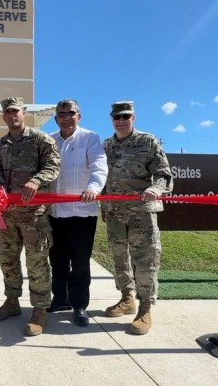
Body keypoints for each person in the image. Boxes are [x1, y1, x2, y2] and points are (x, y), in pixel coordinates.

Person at [0, 97, 60, 336]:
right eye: (7, 112)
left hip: (34, 216)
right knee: (7, 260)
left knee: (36, 263)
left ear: (24, 112)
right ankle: (12, 301)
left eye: (15, 111)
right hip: (6, 216)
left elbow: (53, 166)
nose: (11, 115)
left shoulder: (41, 140)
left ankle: (40, 310)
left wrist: (35, 180)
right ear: (4, 116)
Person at [101, 100, 173, 335]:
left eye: (125, 117)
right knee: (119, 258)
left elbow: (163, 174)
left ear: (133, 118)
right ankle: (127, 298)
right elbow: (101, 177)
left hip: (141, 212)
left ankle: (144, 308)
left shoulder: (147, 141)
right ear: (112, 119)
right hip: (114, 213)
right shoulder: (107, 145)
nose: (121, 121)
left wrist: (156, 189)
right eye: (117, 117)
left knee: (145, 260)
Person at [47, 99, 107, 327]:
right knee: (57, 260)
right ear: (56, 118)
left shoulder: (90, 138)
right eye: (61, 114)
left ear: (78, 116)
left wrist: (93, 188)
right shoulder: (49, 140)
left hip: (83, 213)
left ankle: (79, 305)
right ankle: (60, 299)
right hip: (55, 212)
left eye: (70, 113)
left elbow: (99, 166)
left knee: (80, 261)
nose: (66, 117)